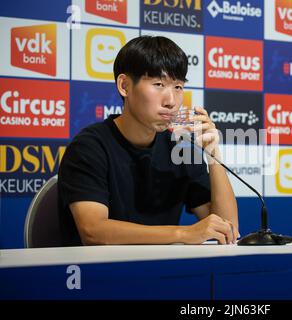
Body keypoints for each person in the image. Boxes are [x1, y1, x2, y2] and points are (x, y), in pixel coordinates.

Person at [58, 36, 238, 246]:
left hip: (161, 273)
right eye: (159, 84)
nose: (171, 101)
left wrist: (213, 155)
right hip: (97, 275)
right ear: (124, 86)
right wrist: (183, 234)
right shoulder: (89, 147)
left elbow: (228, 229)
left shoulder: (179, 148)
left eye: (178, 87)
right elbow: (93, 231)